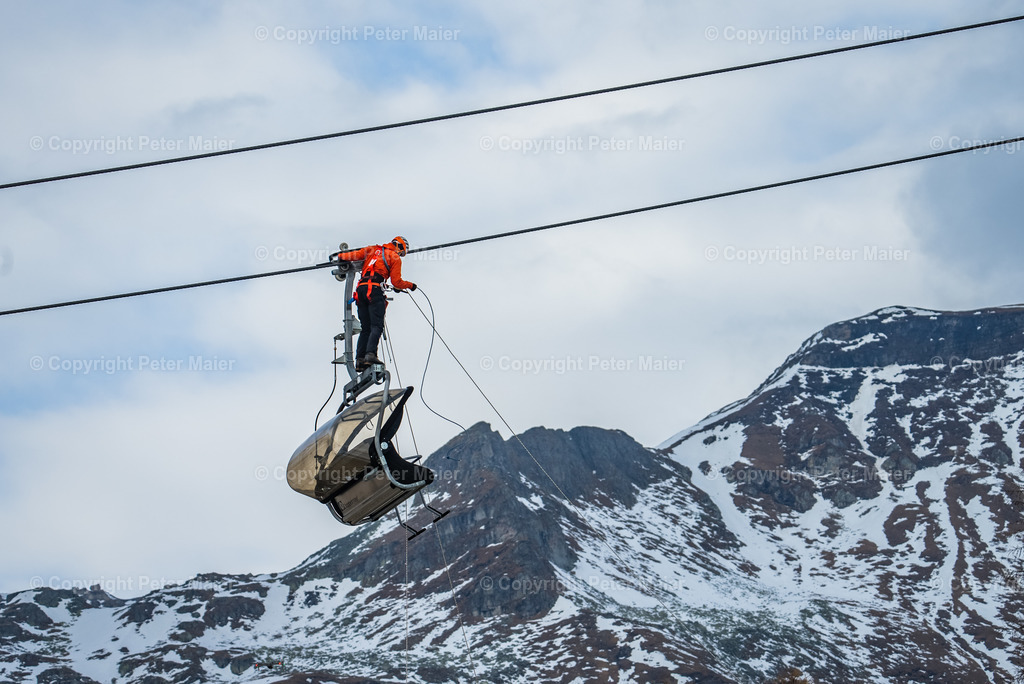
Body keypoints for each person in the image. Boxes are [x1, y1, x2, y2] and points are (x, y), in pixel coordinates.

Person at [335, 236, 416, 371]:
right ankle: (370, 355)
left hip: (361, 291)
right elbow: (397, 282)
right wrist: (411, 286)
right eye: (401, 252)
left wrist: (341, 256)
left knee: (366, 328)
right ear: (399, 247)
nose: (400, 255)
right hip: (374, 291)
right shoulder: (394, 257)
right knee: (376, 326)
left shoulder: (372, 249)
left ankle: (360, 360)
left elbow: (351, 256)